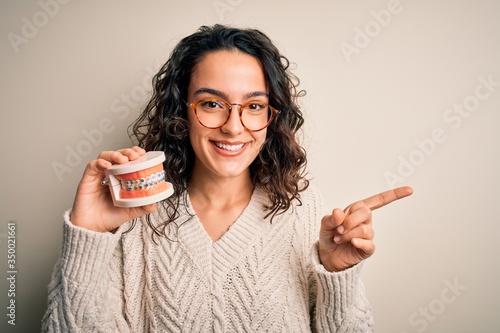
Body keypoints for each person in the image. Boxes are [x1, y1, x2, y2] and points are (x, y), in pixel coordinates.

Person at [42, 24, 412, 332]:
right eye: (212, 104)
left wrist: (337, 276)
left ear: (273, 116)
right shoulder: (131, 216)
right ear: (182, 112)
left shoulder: (305, 211)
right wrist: (88, 235)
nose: (234, 128)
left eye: (254, 106)